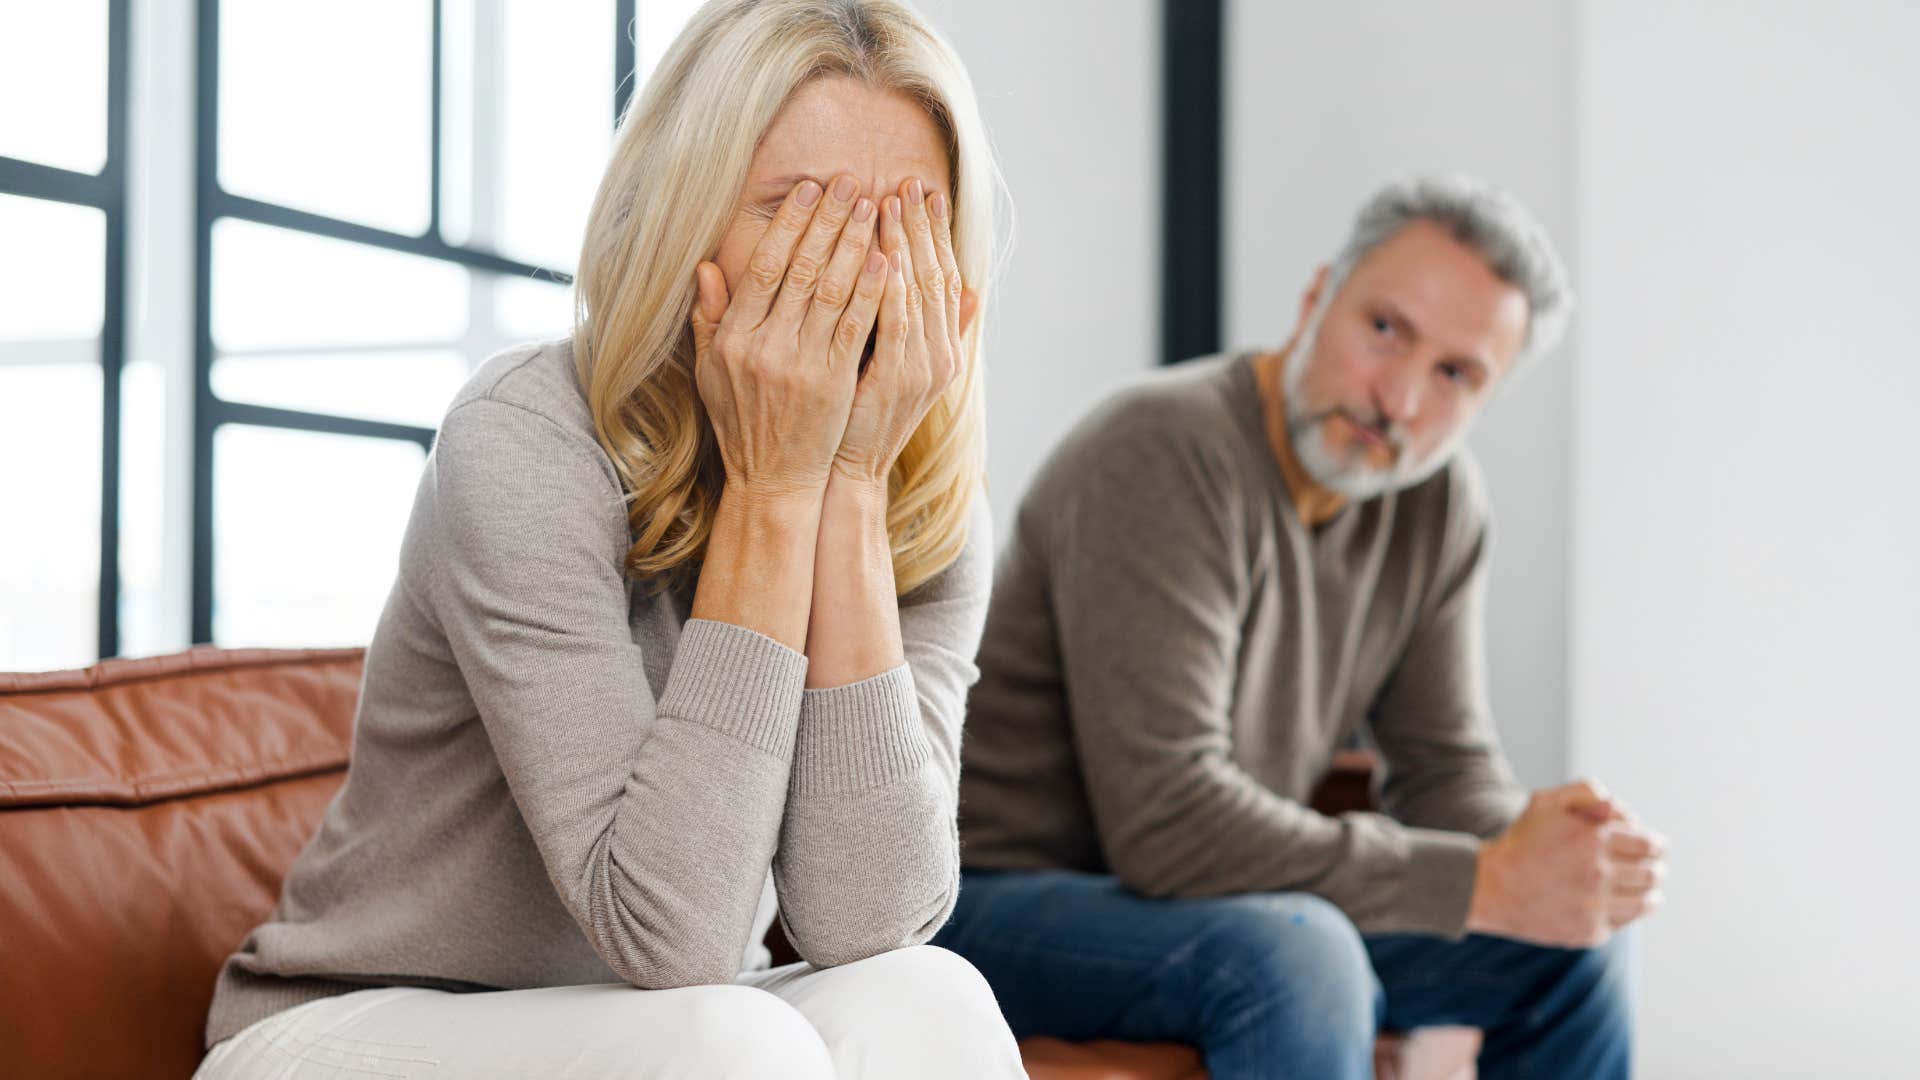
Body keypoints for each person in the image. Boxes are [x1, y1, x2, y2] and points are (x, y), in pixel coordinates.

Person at [195, 2, 1022, 1076]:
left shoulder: (925, 501)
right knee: (730, 1036)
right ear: (687, 222)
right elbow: (671, 935)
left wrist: (851, 490)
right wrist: (775, 493)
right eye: (796, 211)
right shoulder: (525, 438)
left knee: (930, 993)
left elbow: (871, 922)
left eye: (895, 227)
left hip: (652, 1023)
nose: (843, 278)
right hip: (349, 1024)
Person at [935, 175, 1667, 1079]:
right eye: (1386, 329)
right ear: (1318, 297)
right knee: (1300, 954)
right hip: (1009, 904)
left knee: (1575, 943)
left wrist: (1548, 854)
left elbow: (1444, 770)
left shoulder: (1435, 502)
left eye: (1455, 374)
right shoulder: (1162, 451)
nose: (1397, 399)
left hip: (1222, 902)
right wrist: (1485, 881)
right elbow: (1168, 826)